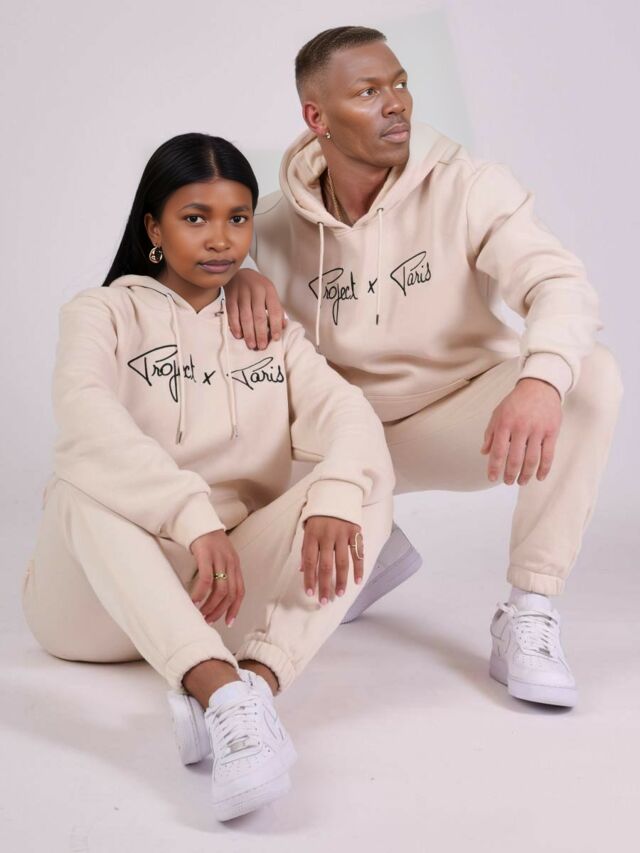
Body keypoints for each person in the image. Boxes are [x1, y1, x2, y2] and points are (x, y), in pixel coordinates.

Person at [223, 26, 624, 709]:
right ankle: (372, 549)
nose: (397, 103)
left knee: (589, 375)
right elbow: (169, 281)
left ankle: (528, 609)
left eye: (401, 83)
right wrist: (237, 274)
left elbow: (560, 284)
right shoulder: (272, 224)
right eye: (368, 91)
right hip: (340, 445)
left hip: (461, 421)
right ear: (317, 117)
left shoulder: (469, 187)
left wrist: (537, 379)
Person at [21, 133, 395, 820]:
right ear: (153, 228)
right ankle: (216, 686)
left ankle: (248, 696)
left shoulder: (268, 329)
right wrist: (192, 517)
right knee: (77, 483)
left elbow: (349, 416)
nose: (222, 239)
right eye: (195, 218)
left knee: (362, 484)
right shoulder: (101, 313)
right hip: (91, 604)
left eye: (238, 218)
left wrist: (336, 494)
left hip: (214, 593)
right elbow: (86, 419)